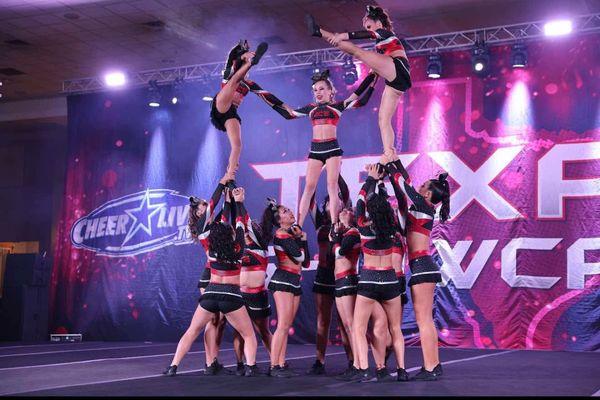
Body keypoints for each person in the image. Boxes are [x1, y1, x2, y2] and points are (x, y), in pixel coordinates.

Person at [254, 68, 378, 227]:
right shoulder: (310, 108)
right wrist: (259, 91)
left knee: (332, 186)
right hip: (315, 150)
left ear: (330, 91)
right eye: (315, 90)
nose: (318, 92)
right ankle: (298, 225)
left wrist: (372, 79)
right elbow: (287, 114)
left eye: (321, 89)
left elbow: (361, 98)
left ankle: (334, 225)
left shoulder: (338, 106)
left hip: (332, 150)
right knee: (309, 188)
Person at [163, 187, 260, 377]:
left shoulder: (211, 247)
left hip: (210, 292)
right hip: (230, 295)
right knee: (248, 334)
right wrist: (239, 202)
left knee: (192, 330)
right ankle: (250, 367)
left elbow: (222, 221)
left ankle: (173, 366)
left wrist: (228, 198)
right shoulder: (238, 249)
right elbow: (239, 222)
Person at [306, 5, 411, 159]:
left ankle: (319, 32)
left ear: (379, 24)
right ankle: (390, 154)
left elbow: (366, 37)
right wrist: (352, 98)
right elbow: (370, 78)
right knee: (383, 120)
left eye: (369, 26)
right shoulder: (380, 50)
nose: (368, 30)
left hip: (398, 68)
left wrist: (343, 36)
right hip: (396, 84)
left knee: (358, 52)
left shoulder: (387, 34)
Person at [384, 155, 451, 380]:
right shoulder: (418, 210)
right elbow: (404, 186)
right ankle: (434, 365)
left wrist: (389, 164)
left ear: (428, 194)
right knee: (425, 320)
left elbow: (405, 186)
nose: (419, 186)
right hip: (421, 266)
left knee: (424, 321)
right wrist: (396, 164)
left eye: (423, 186)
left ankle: (430, 368)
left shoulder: (424, 205)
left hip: (423, 266)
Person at [347, 164, 409, 382]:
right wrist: (382, 182)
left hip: (369, 279)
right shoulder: (392, 227)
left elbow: (359, 201)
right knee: (395, 328)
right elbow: (388, 203)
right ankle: (401, 370)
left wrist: (371, 179)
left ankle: (364, 368)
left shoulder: (363, 226)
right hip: (391, 280)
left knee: (358, 327)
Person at [210, 40, 268, 179]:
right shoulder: (229, 73)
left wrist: (287, 109)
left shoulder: (249, 84)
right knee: (235, 79)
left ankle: (230, 175)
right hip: (221, 104)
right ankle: (249, 61)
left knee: (237, 145)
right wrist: (242, 54)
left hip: (231, 112)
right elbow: (232, 59)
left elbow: (266, 95)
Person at [265, 199, 310, 377]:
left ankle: (281, 363)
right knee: (283, 325)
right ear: (279, 220)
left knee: (286, 325)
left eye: (289, 210)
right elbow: (300, 257)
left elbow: (306, 263)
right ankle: (273, 366)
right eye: (285, 212)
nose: (290, 212)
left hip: (294, 281)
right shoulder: (282, 234)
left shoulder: (290, 235)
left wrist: (303, 239)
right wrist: (300, 240)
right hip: (283, 280)